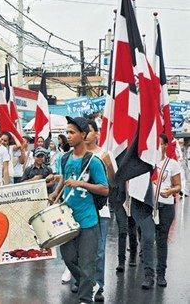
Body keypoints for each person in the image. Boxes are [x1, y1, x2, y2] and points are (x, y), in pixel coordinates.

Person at [48, 117, 109, 304]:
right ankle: (90, 283)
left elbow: (105, 188)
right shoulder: (65, 158)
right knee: (68, 258)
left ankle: (85, 298)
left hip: (88, 220)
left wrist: (81, 183)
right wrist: (55, 194)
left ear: (83, 135)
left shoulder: (94, 162)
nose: (68, 136)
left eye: (72, 133)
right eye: (67, 132)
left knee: (87, 263)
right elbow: (64, 180)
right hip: (67, 219)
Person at [85, 119, 114, 302]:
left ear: (96, 133)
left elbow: (112, 181)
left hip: (100, 210)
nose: (85, 134)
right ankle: (82, 281)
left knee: (99, 251)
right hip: (79, 209)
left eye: (88, 131)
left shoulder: (104, 153)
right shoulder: (76, 154)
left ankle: (99, 285)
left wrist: (108, 165)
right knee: (80, 250)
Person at [153, 133, 181, 287]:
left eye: (159, 144)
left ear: (165, 146)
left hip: (165, 206)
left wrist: (170, 191)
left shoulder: (172, 164)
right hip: (148, 206)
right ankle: (148, 274)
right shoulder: (146, 162)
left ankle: (161, 274)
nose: (156, 147)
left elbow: (178, 186)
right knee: (148, 239)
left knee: (161, 240)